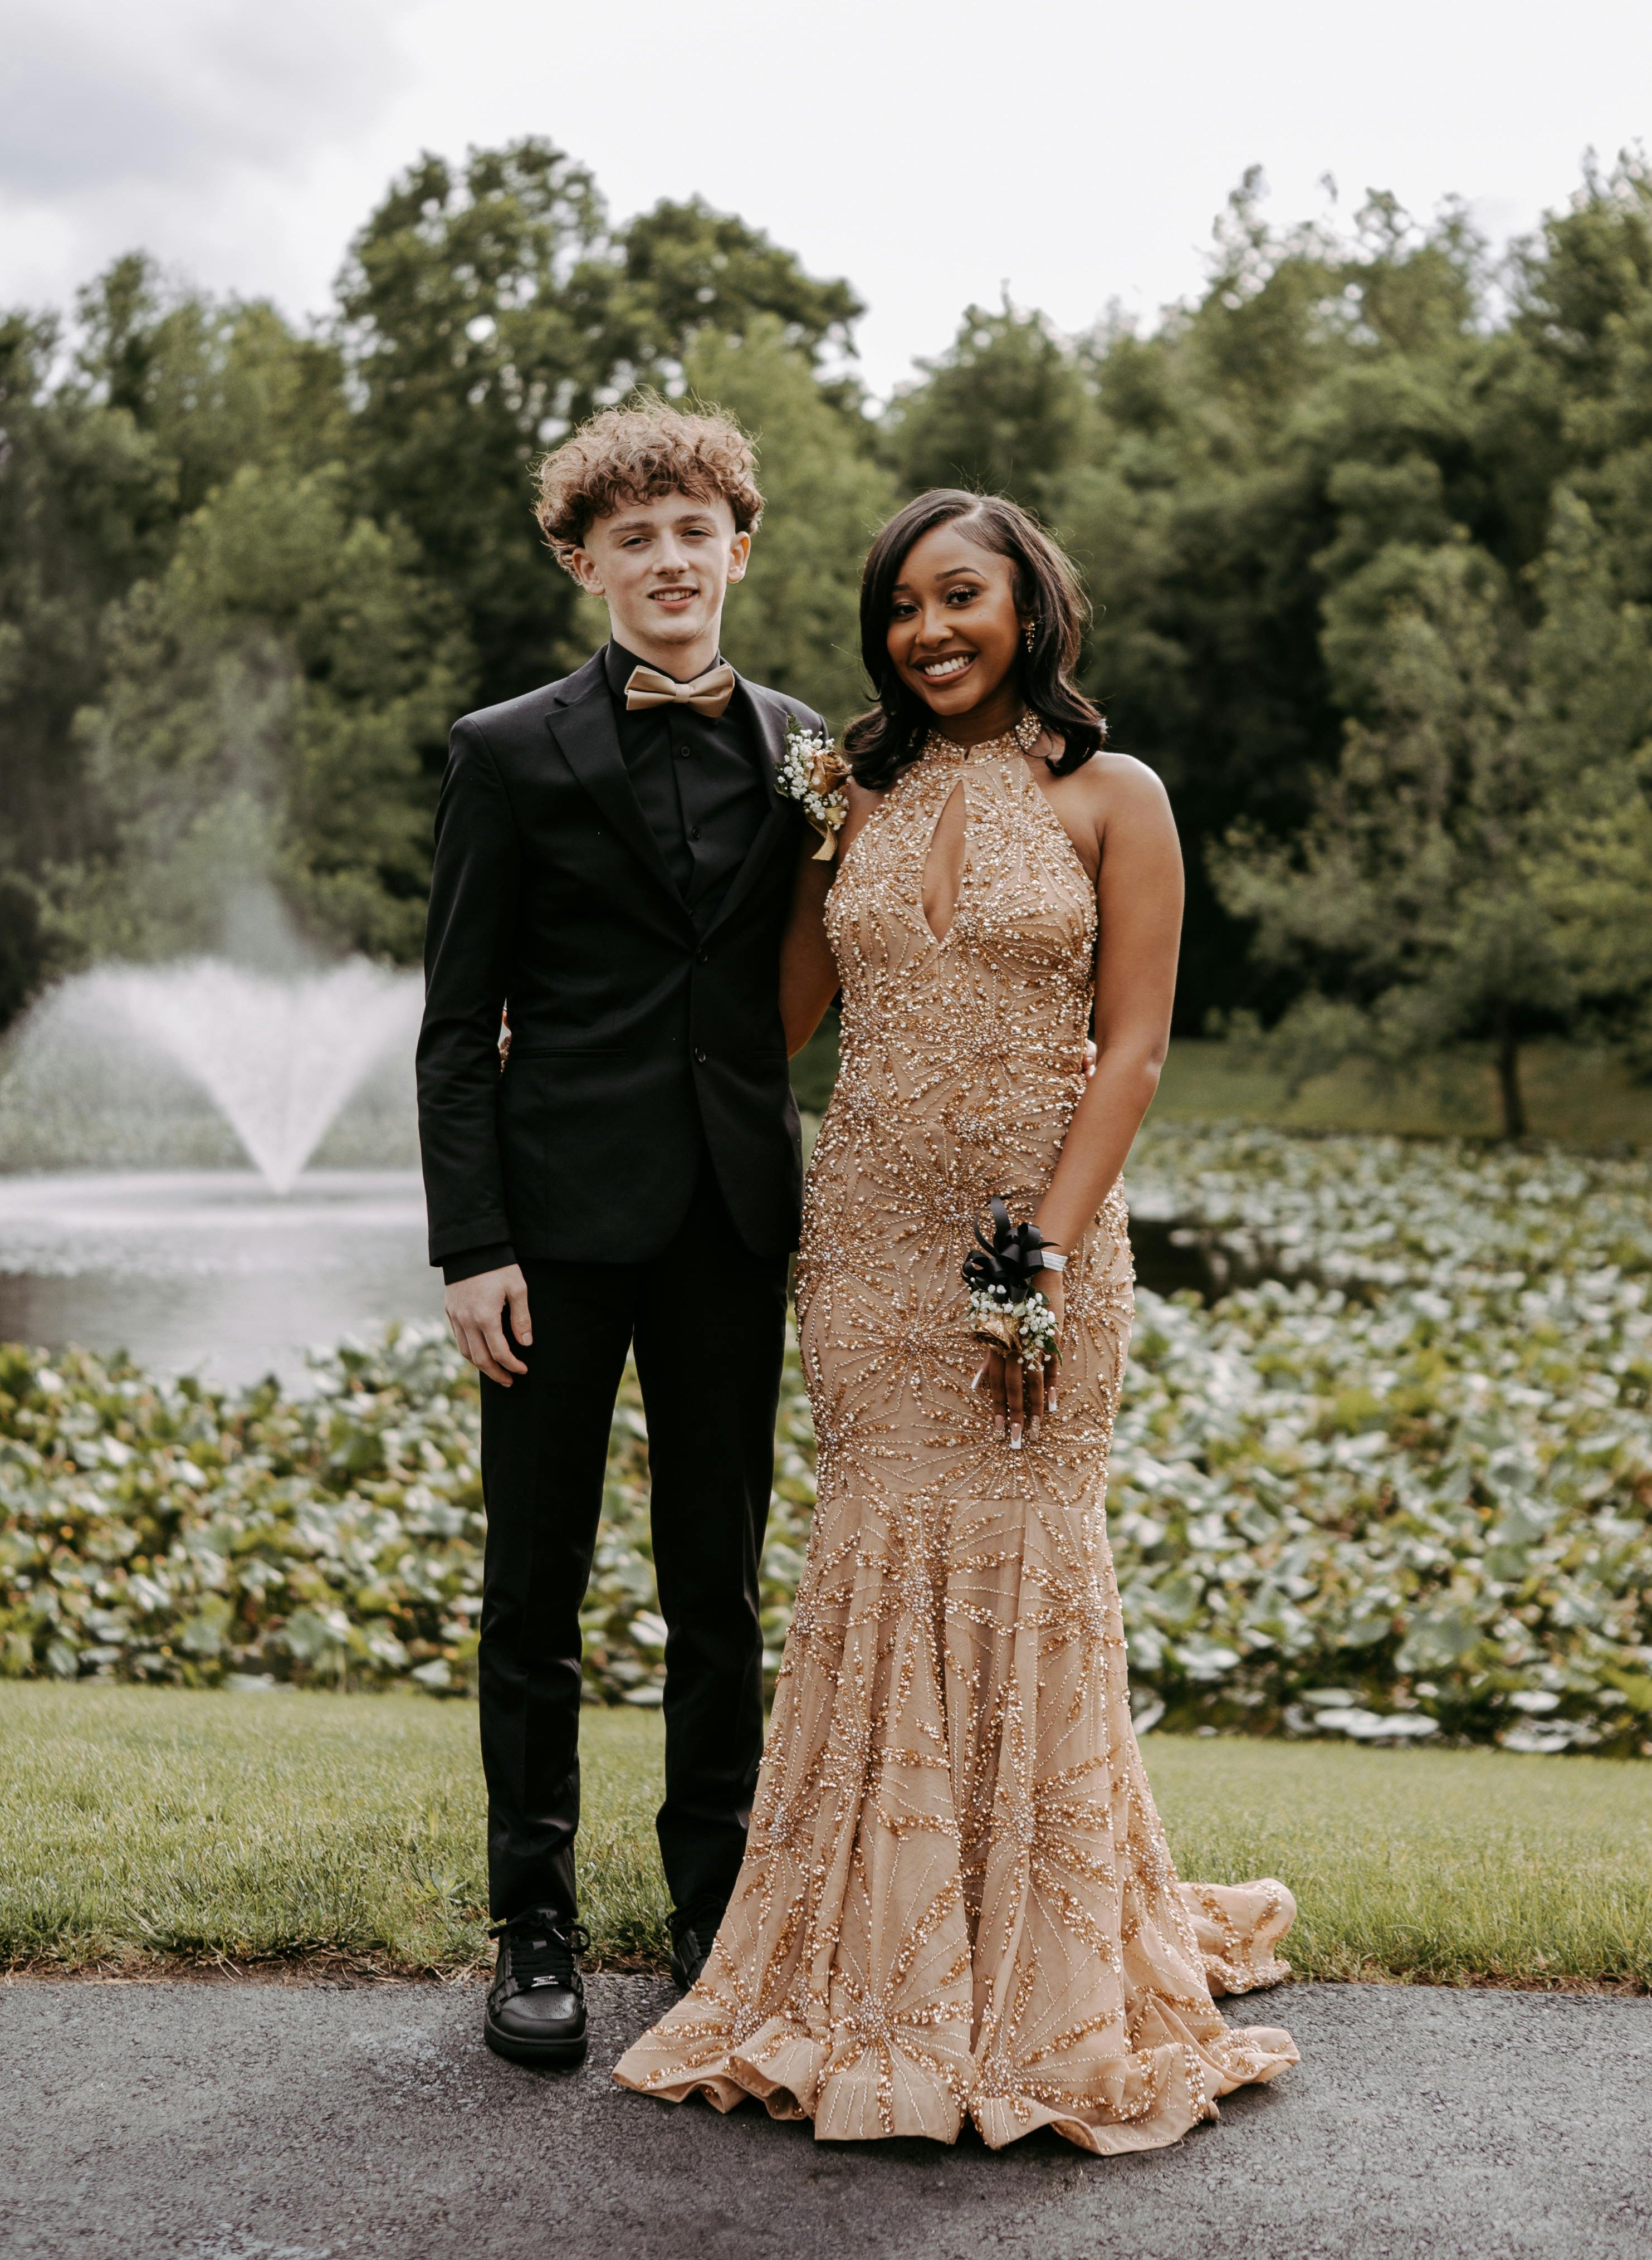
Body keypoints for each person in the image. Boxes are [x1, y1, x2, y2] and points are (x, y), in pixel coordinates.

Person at [615, 490, 1299, 2149]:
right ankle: (869, 1953)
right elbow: (772, 1020)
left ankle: (1043, 1957)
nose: (930, 631)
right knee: (879, 1554)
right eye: (903, 608)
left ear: (1028, 608)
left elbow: (1132, 1049)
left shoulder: (1115, 800)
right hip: (860, 1252)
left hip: (1035, 1247)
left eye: (961, 598)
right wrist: (565, 1042)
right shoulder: (846, 798)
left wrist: (1035, 1263)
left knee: (1020, 1553)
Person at [416, 404, 823, 2067]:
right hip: (555, 1231)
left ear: (742, 546)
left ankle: (714, 1920)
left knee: (715, 1585)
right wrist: (471, 1243)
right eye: (634, 537)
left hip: (733, 1216)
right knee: (533, 1584)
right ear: (585, 561)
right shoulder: (505, 750)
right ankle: (535, 1927)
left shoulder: (812, 749)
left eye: (695, 530)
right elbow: (456, 1024)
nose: (669, 560)